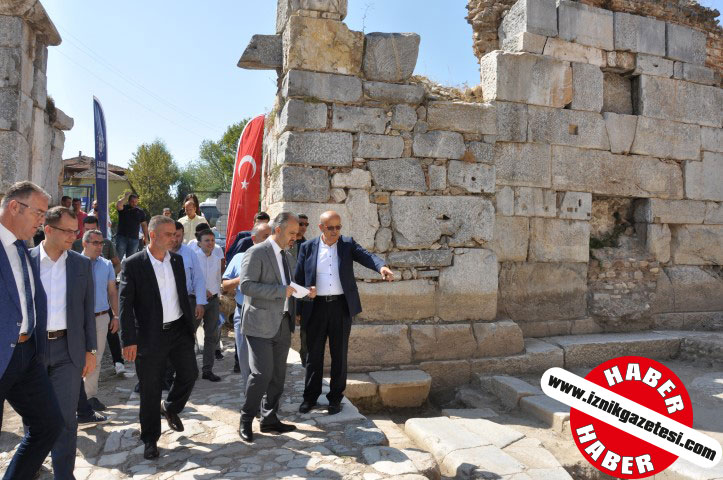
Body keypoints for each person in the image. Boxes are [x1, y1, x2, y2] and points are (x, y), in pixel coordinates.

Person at [295, 211, 393, 415]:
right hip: (315, 307)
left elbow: (367, 256)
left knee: (339, 354)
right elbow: (299, 278)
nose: (335, 231)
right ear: (321, 227)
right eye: (330, 227)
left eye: (338, 227)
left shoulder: (347, 244)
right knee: (313, 355)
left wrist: (381, 267)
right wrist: (298, 309)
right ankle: (310, 398)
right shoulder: (307, 247)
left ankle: (335, 399)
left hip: (340, 307)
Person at [119, 215, 197, 460]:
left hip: (178, 330)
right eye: (169, 234)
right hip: (149, 335)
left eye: (175, 234)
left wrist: (190, 325)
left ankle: (170, 407)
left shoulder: (177, 260)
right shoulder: (133, 264)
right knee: (150, 389)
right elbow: (125, 305)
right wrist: (128, 340)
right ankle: (150, 439)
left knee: (189, 374)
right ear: (152, 235)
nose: (174, 239)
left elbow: (181, 294)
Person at [0, 181, 63, 479]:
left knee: (49, 425)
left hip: (26, 354)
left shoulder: (22, 247)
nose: (41, 221)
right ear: (15, 207)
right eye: (38, 213)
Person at [30, 206, 97, 479]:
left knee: (67, 419)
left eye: (75, 231)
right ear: (48, 230)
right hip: (32, 350)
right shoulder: (26, 261)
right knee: (34, 418)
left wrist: (90, 350)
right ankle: (31, 465)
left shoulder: (81, 264)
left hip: (68, 350)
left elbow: (87, 310)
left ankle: (64, 475)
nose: (74, 236)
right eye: (68, 231)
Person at [238, 212, 315, 442]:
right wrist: (280, 291)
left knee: (278, 376)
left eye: (297, 233)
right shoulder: (256, 252)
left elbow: (289, 286)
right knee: (261, 374)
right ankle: (245, 418)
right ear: (278, 230)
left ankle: (269, 418)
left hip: (283, 323)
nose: (295, 237)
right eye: (292, 233)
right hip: (259, 323)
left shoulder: (288, 256)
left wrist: (306, 293)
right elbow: (246, 286)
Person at [222, 222, 271, 383]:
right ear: (254, 239)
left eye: (271, 236)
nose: (269, 240)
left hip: (268, 313)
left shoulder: (277, 259)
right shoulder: (239, 258)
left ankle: (264, 391)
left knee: (265, 359)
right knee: (244, 357)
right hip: (243, 312)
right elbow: (225, 285)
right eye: (265, 236)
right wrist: (240, 279)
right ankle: (248, 391)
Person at [79, 229, 119, 413]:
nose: (99, 246)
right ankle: (75, 398)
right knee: (77, 359)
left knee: (96, 358)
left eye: (101, 243)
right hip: (79, 320)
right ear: (84, 243)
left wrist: (115, 316)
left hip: (101, 318)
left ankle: (89, 398)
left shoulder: (106, 264)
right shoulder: (73, 262)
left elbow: (112, 292)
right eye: (95, 242)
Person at [195, 228, 225, 381]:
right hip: (196, 301)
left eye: (212, 240)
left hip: (212, 301)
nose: (210, 243)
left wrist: (218, 296)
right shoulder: (194, 258)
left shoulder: (216, 258)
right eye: (207, 240)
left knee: (211, 336)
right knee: (189, 334)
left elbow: (218, 279)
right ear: (199, 243)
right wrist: (201, 291)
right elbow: (189, 279)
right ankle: (188, 369)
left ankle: (207, 370)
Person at [290, 214, 309, 365]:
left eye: (306, 225)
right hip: (283, 291)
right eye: (301, 224)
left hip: (300, 293)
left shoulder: (308, 246)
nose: (303, 227)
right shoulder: (285, 244)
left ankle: (304, 359)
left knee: (305, 331)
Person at [115, 192, 149, 259]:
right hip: (122, 237)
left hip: (134, 239)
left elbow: (144, 225)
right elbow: (118, 205)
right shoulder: (124, 208)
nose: (134, 203)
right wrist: (125, 197)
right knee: (118, 258)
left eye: (136, 202)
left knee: (131, 260)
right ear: (129, 201)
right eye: (132, 201)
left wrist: (146, 237)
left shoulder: (140, 212)